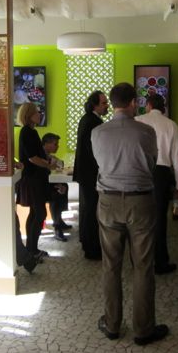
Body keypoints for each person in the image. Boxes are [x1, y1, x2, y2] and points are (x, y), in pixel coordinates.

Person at [92, 82, 169, 346]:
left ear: (113, 103)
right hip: (141, 202)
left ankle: (112, 324)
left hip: (108, 201)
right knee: (143, 266)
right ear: (134, 102)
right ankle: (143, 329)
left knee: (111, 265)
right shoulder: (146, 131)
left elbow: (100, 164)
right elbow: (151, 164)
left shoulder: (98, 133)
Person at [136, 93, 178, 274]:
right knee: (159, 219)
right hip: (161, 174)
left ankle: (140, 261)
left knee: (140, 218)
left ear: (148, 105)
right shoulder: (171, 125)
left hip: (140, 171)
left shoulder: (138, 121)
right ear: (163, 107)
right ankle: (161, 262)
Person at [17, 102, 57, 259]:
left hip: (34, 178)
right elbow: (32, 158)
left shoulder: (31, 132)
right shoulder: (28, 132)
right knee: (39, 213)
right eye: (36, 112)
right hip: (33, 179)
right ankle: (32, 250)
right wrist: (48, 165)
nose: (40, 114)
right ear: (28, 115)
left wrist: (47, 160)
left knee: (35, 213)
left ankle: (31, 249)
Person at [73, 90, 109, 260]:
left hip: (84, 173)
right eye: (104, 103)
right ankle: (92, 248)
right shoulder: (94, 122)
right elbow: (94, 151)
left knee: (87, 209)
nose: (107, 105)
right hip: (90, 173)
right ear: (95, 105)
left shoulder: (86, 119)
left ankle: (87, 243)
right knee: (91, 211)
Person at [41, 132, 71, 242]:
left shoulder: (48, 155)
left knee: (64, 185)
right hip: (40, 185)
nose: (57, 146)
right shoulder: (40, 155)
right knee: (57, 193)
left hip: (49, 182)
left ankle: (59, 220)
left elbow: (60, 164)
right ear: (46, 144)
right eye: (55, 144)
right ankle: (57, 227)